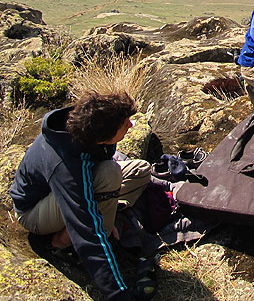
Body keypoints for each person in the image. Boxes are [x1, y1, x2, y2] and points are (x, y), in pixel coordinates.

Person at [9, 91, 152, 301]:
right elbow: (87, 234)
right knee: (109, 175)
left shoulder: (89, 126)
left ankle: (103, 213)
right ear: (103, 137)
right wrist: (119, 295)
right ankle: (60, 242)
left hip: (70, 190)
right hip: (34, 212)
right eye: (125, 124)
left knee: (141, 170)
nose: (131, 126)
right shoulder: (66, 164)